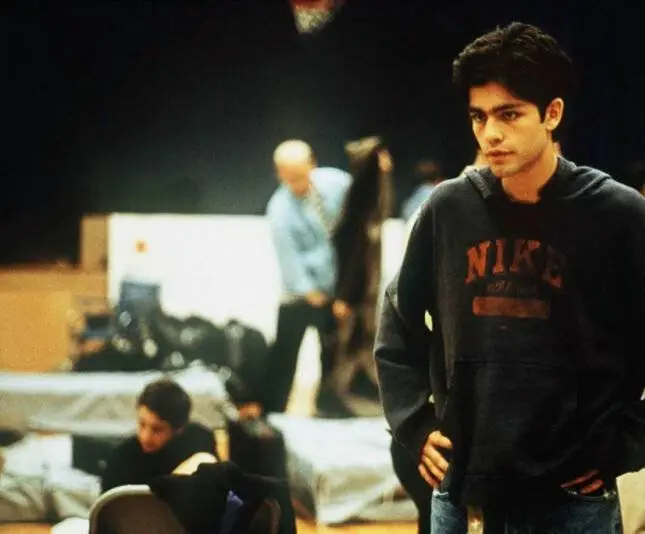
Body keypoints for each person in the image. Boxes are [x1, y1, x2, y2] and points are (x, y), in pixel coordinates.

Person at [375, 22, 645, 533]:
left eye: (509, 114)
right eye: (478, 117)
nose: (490, 133)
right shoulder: (448, 208)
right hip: (462, 495)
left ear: (552, 114)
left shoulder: (617, 214)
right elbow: (397, 325)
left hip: (574, 500)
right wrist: (414, 423)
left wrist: (625, 442)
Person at [264, 139, 351, 416]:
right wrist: (312, 292)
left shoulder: (336, 183)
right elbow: (289, 260)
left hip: (334, 287)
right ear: (279, 174)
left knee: (333, 353)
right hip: (300, 295)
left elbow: (362, 201)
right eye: (289, 178)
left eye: (300, 176)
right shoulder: (279, 209)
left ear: (312, 164)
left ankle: (328, 406)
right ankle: (274, 410)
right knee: (285, 354)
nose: (297, 183)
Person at [329, 135, 394, 409]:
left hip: (363, 292)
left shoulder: (369, 204)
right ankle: (334, 398)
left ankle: (352, 391)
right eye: (382, 157)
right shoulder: (360, 205)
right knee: (346, 347)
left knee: (360, 345)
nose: (388, 162)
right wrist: (345, 295)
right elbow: (353, 251)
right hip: (355, 292)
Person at [101, 378, 217, 492]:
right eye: (142, 424)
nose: (145, 437)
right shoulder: (122, 458)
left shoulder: (198, 441)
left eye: (157, 429)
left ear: (178, 429)